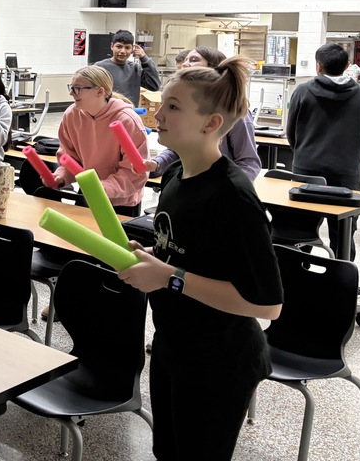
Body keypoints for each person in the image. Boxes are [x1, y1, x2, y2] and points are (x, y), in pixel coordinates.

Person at [118, 56, 282, 461]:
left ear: (211, 124)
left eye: (174, 107)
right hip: (175, 345)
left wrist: (170, 277)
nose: (158, 114)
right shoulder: (176, 179)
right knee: (168, 452)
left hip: (220, 362)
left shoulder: (233, 197)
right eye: (162, 103)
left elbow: (267, 304)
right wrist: (153, 256)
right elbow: (189, 253)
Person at [286, 42, 360, 259]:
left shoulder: (302, 91)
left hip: (306, 168)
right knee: (344, 228)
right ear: (348, 65)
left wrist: (302, 152)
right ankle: (343, 282)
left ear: (318, 66)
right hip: (346, 171)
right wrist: (355, 157)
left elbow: (291, 131)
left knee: (300, 225)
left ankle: (297, 274)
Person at [39, 66, 149, 216]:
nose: (72, 93)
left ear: (100, 91)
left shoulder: (127, 120)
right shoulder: (72, 115)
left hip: (121, 202)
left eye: (78, 89)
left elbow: (135, 172)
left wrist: (103, 187)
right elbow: (70, 157)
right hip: (89, 194)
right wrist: (61, 176)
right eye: (71, 88)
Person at [146, 47, 261, 181]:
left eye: (193, 60)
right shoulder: (187, 107)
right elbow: (179, 148)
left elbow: (249, 161)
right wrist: (157, 164)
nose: (185, 64)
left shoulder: (235, 114)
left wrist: (224, 187)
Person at [93, 29, 160, 106]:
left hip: (129, 114)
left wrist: (144, 58)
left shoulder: (135, 69)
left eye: (127, 48)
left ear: (132, 49)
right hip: (106, 114)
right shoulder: (100, 67)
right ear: (112, 46)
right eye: (119, 47)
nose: (123, 51)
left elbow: (154, 86)